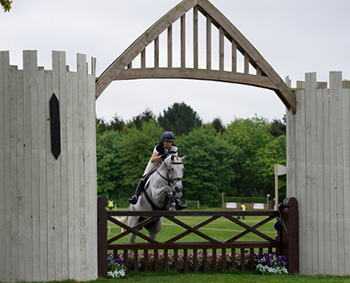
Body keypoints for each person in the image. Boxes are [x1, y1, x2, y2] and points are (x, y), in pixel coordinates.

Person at [128, 131, 186, 210]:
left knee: (174, 179)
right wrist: (162, 156)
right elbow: (153, 159)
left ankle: (177, 201)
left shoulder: (174, 149)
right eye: (166, 142)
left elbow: (174, 161)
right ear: (163, 141)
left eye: (170, 142)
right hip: (156, 163)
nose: (168, 144)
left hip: (167, 166)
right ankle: (136, 196)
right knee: (144, 176)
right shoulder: (158, 146)